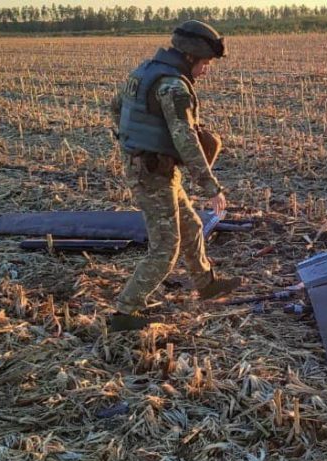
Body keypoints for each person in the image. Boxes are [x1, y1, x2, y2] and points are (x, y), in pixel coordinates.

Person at [109, 20, 241, 331]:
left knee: (192, 224)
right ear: (191, 58)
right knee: (165, 248)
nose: (206, 70)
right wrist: (211, 186)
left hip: (153, 167)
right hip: (151, 174)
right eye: (206, 63)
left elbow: (116, 107)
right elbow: (186, 140)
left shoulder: (145, 71)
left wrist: (131, 142)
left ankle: (206, 282)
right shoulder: (173, 87)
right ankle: (125, 313)